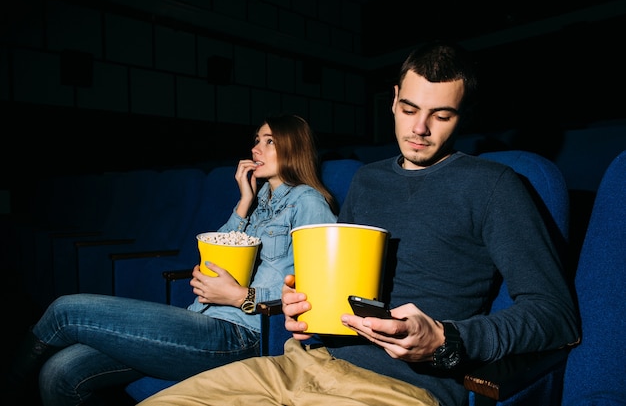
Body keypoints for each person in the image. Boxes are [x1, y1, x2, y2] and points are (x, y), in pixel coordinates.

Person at [137, 41, 581, 406]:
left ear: (462, 116)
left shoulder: (495, 186)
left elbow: (556, 315)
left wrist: (447, 339)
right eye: (409, 109)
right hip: (301, 364)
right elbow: (339, 293)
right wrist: (301, 306)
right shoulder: (368, 181)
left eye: (441, 116)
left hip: (399, 388)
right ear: (392, 100)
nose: (420, 128)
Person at [3, 114, 338, 406]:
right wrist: (243, 202)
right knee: (59, 373)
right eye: (256, 140)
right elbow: (213, 254)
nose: (255, 149)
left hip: (241, 335)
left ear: (294, 147)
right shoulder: (259, 201)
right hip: (202, 318)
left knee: (66, 310)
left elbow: (323, 293)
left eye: (269, 141)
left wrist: (239, 296)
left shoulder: (310, 204)